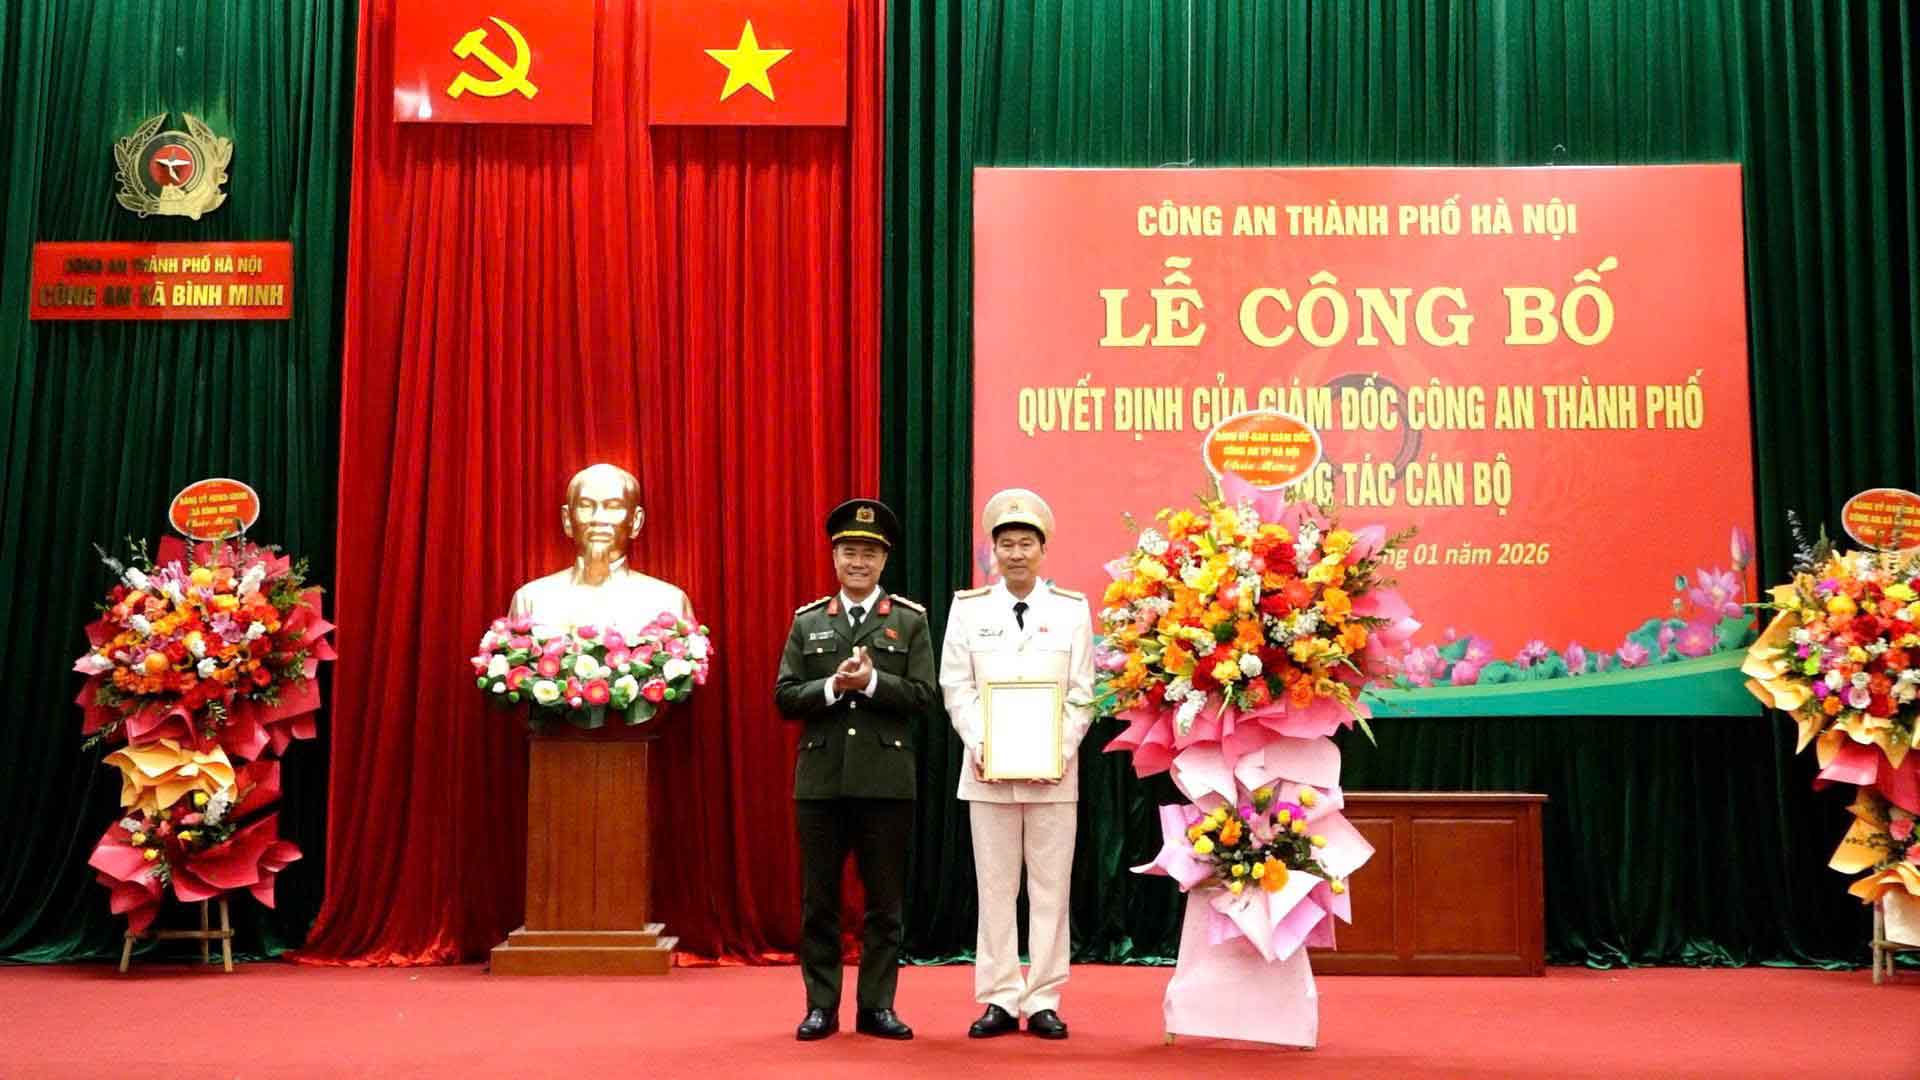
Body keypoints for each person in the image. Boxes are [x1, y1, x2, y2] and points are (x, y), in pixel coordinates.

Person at [773, 498, 936, 1041]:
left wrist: (868, 683)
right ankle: (821, 1005)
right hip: (820, 783)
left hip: (886, 782)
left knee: (884, 904)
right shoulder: (810, 620)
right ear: (834, 557)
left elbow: (922, 696)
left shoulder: (909, 622)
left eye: (868, 552)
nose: (858, 561)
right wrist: (831, 687)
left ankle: (876, 1007)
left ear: (884, 560)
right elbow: (785, 697)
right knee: (818, 902)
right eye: (848, 551)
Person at [939, 488, 1094, 1040]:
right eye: (1006, 543)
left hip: (1054, 774)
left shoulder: (1072, 611)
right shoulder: (969, 609)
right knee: (995, 888)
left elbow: (1083, 693)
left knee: (1052, 888)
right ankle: (1001, 998)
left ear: (1042, 549)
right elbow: (956, 685)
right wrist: (984, 747)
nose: (1016, 553)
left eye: (1026, 542)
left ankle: (1045, 996)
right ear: (993, 551)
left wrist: (1058, 749)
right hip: (987, 774)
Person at [508, 462, 691, 629]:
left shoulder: (669, 602)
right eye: (585, 506)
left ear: (635, 521)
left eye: (613, 506)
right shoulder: (531, 600)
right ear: (567, 519)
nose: (598, 518)